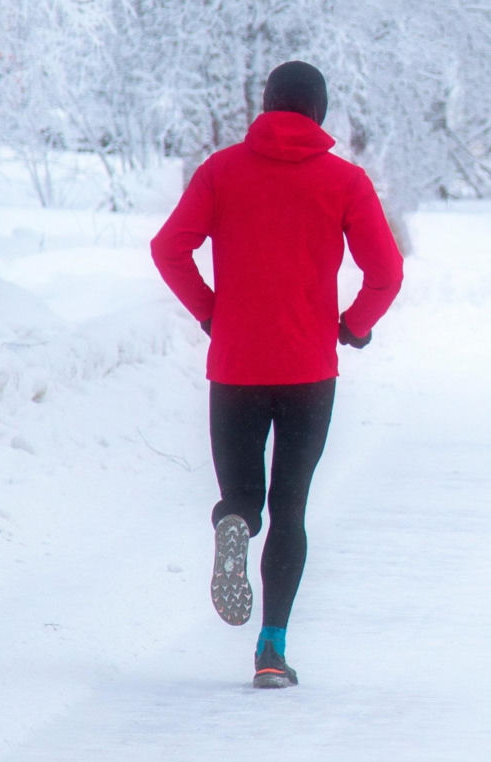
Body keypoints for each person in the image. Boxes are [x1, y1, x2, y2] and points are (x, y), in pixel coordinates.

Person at [150, 61, 403, 689]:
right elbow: (387, 272)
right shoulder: (344, 181)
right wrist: (354, 324)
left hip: (236, 366)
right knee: (291, 511)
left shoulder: (222, 171)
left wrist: (212, 310)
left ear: (265, 105)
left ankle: (234, 521)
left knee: (244, 498)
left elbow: (169, 247)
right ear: (319, 113)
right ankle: (271, 649)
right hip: (309, 370)